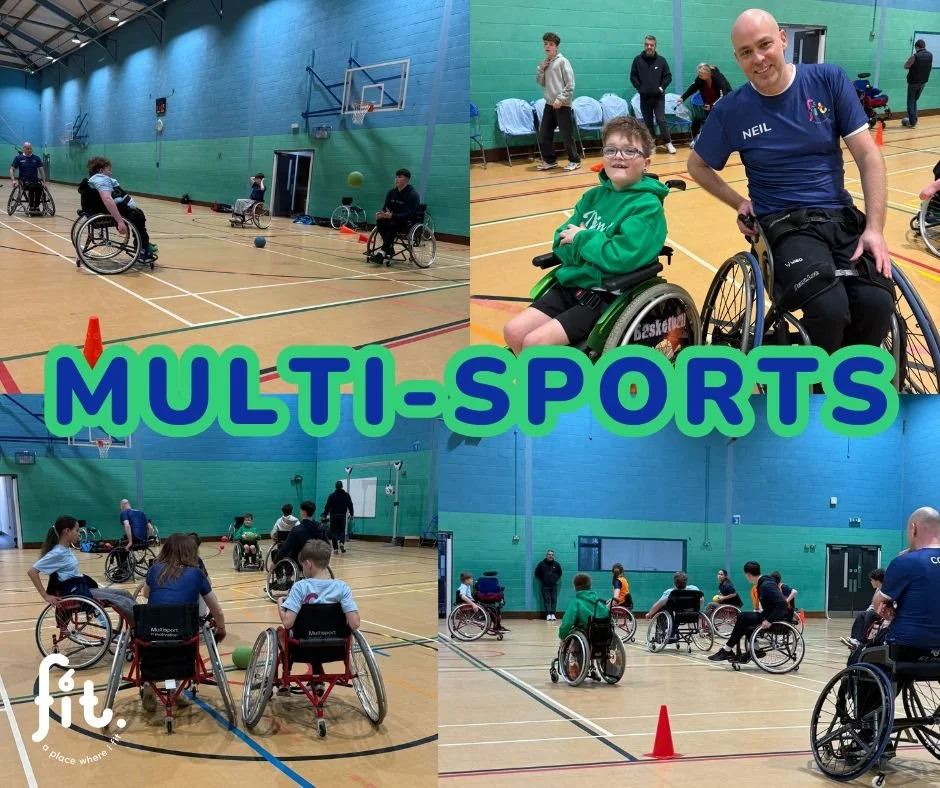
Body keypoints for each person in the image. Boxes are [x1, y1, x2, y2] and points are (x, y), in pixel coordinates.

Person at [687, 9, 895, 355]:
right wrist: (739, 202)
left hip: (839, 217)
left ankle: (849, 385)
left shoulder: (828, 80)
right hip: (784, 225)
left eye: (764, 44)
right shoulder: (732, 110)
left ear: (782, 39)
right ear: (737, 58)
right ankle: (814, 392)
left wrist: (874, 228)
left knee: (876, 304)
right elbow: (697, 166)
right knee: (829, 310)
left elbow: (868, 156)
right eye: (746, 52)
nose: (759, 58)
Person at [503, 115, 668, 352]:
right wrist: (589, 249)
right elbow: (560, 242)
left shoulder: (647, 206)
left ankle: (546, 385)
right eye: (611, 150)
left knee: (533, 343)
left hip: (607, 294)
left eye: (629, 151)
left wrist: (582, 239)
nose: (618, 156)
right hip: (573, 284)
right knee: (513, 332)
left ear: (647, 162)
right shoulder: (593, 197)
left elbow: (619, 257)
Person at [140, 533, 227, 711]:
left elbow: (146, 594)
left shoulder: (155, 569)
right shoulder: (197, 573)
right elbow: (216, 609)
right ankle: (177, 690)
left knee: (162, 638)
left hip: (152, 632)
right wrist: (221, 628)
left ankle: (150, 686)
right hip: (184, 633)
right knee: (181, 639)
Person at [278, 540, 360, 693]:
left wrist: (279, 605)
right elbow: (354, 624)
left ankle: (286, 675)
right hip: (335, 648)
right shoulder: (342, 587)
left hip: (301, 648)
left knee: (280, 632)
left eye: (302, 565)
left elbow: (288, 623)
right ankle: (317, 676)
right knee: (319, 631)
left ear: (308, 563)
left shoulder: (300, 587)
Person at [26, 515, 137, 621]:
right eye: (76, 530)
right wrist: (45, 595)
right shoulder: (58, 552)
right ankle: (137, 630)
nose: (79, 534)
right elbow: (32, 571)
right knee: (121, 601)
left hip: (80, 587)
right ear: (66, 531)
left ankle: (140, 622)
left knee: (125, 594)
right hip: (75, 592)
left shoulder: (66, 549)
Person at [709, 561, 789, 662]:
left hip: (775, 618)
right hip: (769, 614)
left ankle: (727, 649)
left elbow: (783, 604)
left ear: (748, 575)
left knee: (743, 617)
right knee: (745, 619)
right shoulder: (763, 583)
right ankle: (753, 649)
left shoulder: (766, 585)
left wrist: (769, 620)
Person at [85, 157, 158, 263]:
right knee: (136, 216)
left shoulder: (97, 179)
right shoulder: (101, 179)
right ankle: (142, 248)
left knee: (138, 214)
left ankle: (142, 243)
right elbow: (107, 199)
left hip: (113, 208)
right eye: (109, 170)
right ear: (101, 171)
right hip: (111, 211)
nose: (111, 173)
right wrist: (120, 221)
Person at [535, 32, 581, 171]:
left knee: (566, 135)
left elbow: (570, 84)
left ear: (556, 47)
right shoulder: (546, 63)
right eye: (545, 44)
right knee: (544, 133)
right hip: (549, 104)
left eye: (551, 44)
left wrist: (560, 100)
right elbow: (541, 83)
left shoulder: (563, 61)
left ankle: (575, 160)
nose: (547, 47)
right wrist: (541, 69)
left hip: (563, 105)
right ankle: (550, 161)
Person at [630, 35, 676, 155]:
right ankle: (651, 144)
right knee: (648, 122)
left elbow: (668, 76)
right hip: (645, 97)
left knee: (661, 120)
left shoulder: (661, 60)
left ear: (655, 46)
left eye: (651, 45)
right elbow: (633, 76)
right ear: (644, 45)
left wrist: (661, 88)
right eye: (647, 45)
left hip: (658, 98)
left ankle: (668, 142)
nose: (649, 47)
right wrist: (640, 88)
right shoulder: (637, 60)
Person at [372, 168, 420, 264]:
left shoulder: (413, 195)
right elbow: (385, 208)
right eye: (396, 177)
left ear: (406, 180)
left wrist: (392, 216)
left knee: (393, 224)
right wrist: (382, 214)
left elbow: (409, 214)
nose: (396, 179)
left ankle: (382, 253)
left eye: (400, 177)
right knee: (380, 220)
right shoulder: (391, 193)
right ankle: (388, 248)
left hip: (407, 222)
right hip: (393, 219)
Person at [679, 63, 733, 140]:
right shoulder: (700, 79)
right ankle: (699, 140)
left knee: (723, 122)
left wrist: (712, 106)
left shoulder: (718, 78)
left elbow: (723, 96)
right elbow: (693, 88)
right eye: (698, 74)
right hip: (709, 103)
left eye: (701, 74)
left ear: (707, 73)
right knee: (707, 122)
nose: (699, 76)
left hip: (723, 102)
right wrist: (683, 97)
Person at [272, 500, 328, 565]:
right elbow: (327, 545)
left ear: (303, 512)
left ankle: (281, 573)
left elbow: (286, 548)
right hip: (317, 559)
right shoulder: (320, 527)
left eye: (300, 510)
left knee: (279, 552)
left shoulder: (297, 529)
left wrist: (274, 562)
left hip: (301, 560)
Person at [841, 567, 885, 650]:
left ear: (877, 580)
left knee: (870, 614)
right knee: (861, 614)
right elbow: (872, 605)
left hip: (884, 613)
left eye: (871, 580)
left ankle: (863, 641)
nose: (870, 582)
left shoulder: (886, 589)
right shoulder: (878, 589)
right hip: (876, 611)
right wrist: (866, 612)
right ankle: (855, 639)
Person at [558, 573, 610, 640]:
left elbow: (567, 622)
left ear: (574, 587)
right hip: (603, 634)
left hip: (586, 633)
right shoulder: (599, 602)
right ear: (590, 586)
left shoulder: (576, 602)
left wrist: (562, 636)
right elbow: (608, 618)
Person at [902, 40, 933, 129]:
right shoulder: (930, 55)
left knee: (910, 101)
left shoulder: (915, 56)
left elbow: (906, 66)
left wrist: (911, 59)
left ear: (917, 47)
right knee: (914, 100)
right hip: (923, 82)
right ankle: (914, 120)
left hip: (913, 82)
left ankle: (912, 122)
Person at [9, 142, 46, 213]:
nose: (29, 150)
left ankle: (36, 206)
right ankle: (32, 206)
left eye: (30, 148)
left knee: (39, 188)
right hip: (23, 181)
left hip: (35, 181)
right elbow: (12, 169)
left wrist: (44, 182)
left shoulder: (36, 158)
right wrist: (13, 180)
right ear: (24, 149)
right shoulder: (18, 158)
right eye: (27, 148)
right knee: (32, 188)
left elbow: (41, 171)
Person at [322, 481, 354, 554]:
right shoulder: (346, 495)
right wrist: (352, 514)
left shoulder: (332, 495)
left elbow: (327, 506)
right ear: (342, 486)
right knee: (342, 531)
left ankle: (336, 549)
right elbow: (350, 505)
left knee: (333, 532)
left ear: (335, 487)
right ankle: (341, 543)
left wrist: (324, 514)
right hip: (342, 515)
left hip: (333, 516)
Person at [534, 549, 563, 621]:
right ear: (546, 555)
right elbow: (537, 573)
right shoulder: (541, 564)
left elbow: (560, 573)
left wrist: (556, 579)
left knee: (554, 600)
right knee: (547, 600)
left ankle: (553, 614)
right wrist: (543, 580)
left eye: (552, 555)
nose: (551, 556)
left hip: (554, 585)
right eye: (549, 554)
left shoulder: (556, 564)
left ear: (553, 556)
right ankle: (548, 615)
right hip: (545, 586)